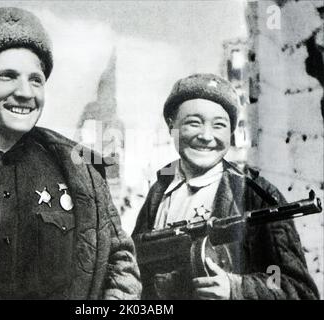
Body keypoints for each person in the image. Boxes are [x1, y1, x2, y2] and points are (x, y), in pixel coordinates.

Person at [0, 7, 141, 300]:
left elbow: (120, 266)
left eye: (36, 79)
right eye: (7, 77)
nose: (26, 92)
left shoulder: (81, 173)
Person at [132, 73, 319, 300]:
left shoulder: (257, 194)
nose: (206, 136)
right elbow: (133, 266)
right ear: (172, 126)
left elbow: (299, 291)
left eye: (219, 125)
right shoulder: (160, 191)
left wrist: (235, 288)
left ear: (231, 133)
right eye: (193, 123)